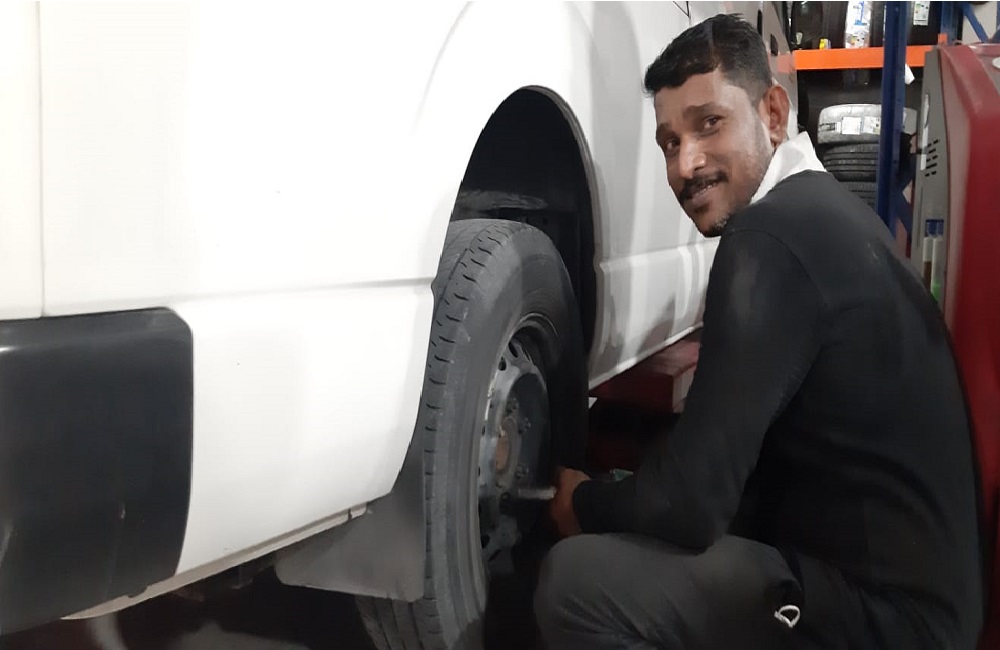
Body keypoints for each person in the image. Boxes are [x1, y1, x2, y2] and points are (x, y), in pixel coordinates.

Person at [534, 13, 984, 650]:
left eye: (709, 124)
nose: (686, 164)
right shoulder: (829, 215)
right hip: (918, 607)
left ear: (773, 114)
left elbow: (693, 504)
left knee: (575, 583)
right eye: (668, 142)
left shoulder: (767, 239)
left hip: (887, 623)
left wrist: (583, 504)